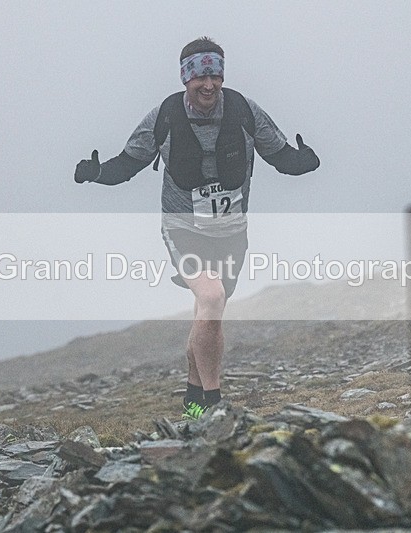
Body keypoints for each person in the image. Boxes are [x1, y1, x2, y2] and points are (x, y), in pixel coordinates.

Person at [75, 37, 319, 420]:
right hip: (182, 228)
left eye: (215, 76)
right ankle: (213, 405)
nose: (209, 85)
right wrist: (97, 173)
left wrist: (304, 162)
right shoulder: (166, 116)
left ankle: (191, 399)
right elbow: (128, 163)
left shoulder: (242, 110)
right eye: (200, 77)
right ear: (186, 78)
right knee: (211, 296)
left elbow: (280, 154)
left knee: (211, 310)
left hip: (231, 232)